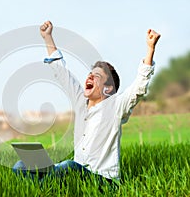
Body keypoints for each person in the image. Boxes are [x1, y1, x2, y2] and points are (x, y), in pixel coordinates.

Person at [13, 21, 161, 188]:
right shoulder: (80, 102)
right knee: (21, 166)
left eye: (97, 76)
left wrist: (150, 49)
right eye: (90, 74)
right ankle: (48, 188)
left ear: (108, 88)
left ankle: (49, 186)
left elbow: (138, 88)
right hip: (77, 176)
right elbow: (61, 73)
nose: (90, 77)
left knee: (69, 166)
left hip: (104, 182)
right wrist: (48, 37)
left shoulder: (116, 106)